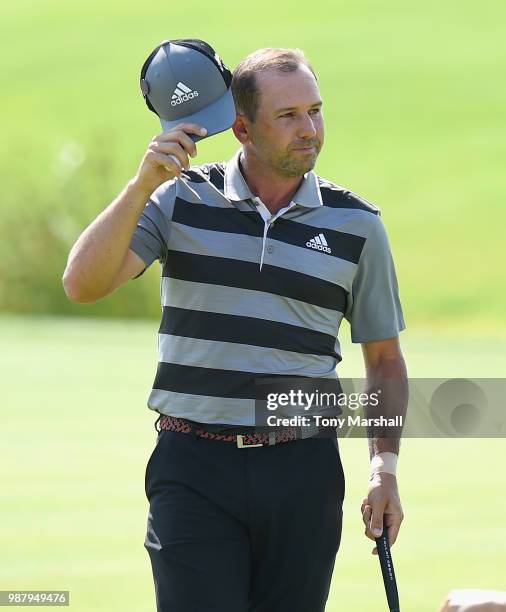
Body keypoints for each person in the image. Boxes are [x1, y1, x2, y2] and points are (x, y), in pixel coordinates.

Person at [63, 46, 408, 612]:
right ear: (242, 128)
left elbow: (386, 364)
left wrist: (383, 469)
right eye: (289, 116)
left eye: (315, 110)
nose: (311, 130)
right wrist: (141, 183)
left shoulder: (358, 225)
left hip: (303, 470)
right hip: (193, 465)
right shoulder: (177, 199)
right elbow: (82, 282)